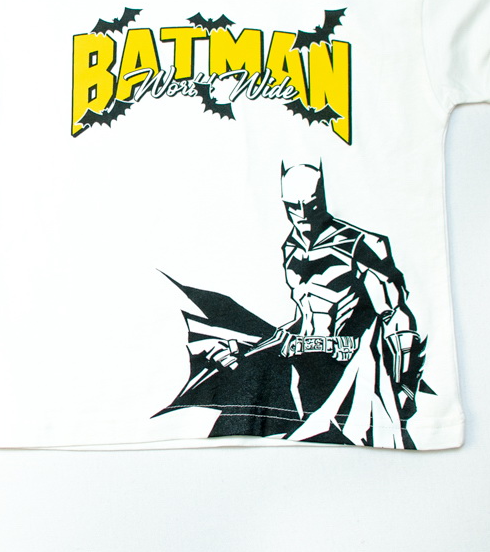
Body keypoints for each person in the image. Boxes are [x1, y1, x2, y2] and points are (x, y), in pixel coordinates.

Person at [157, 163, 425, 448]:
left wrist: (406, 385)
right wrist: (248, 347)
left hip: (351, 373)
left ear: (323, 197)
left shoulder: (362, 244)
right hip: (301, 370)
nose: (303, 215)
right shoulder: (292, 247)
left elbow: (396, 315)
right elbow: (304, 317)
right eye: (293, 207)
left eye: (311, 205)